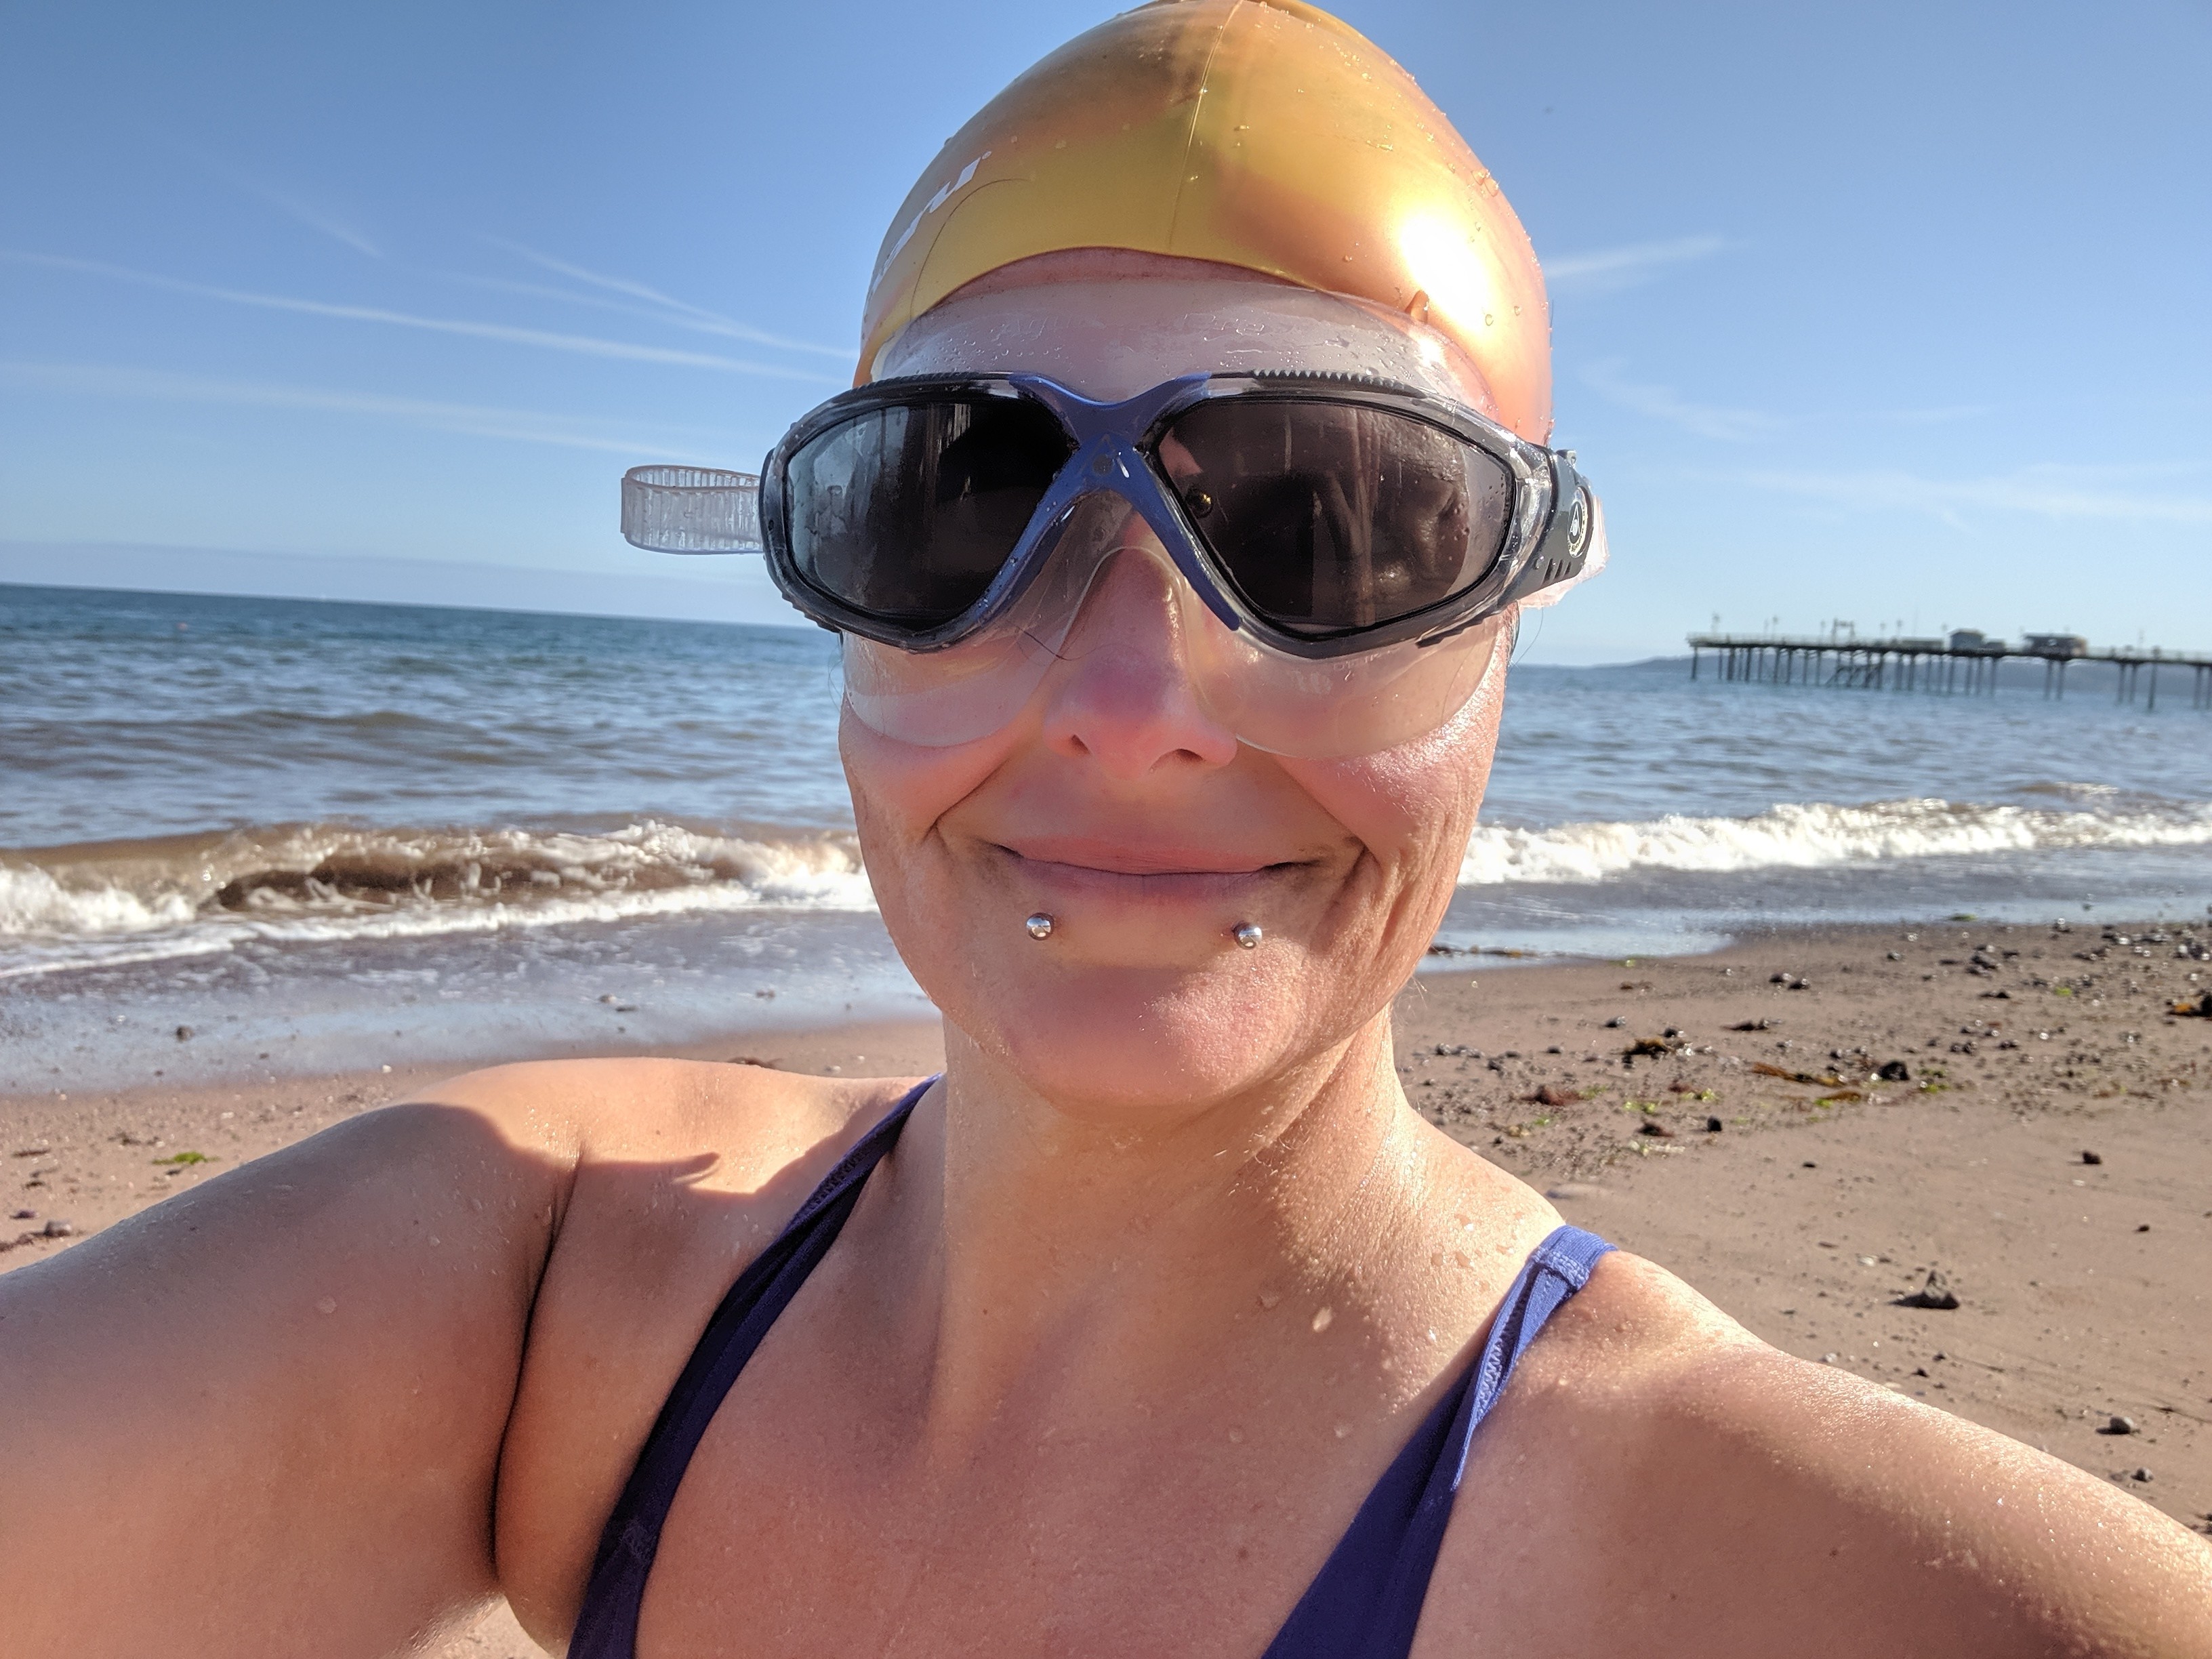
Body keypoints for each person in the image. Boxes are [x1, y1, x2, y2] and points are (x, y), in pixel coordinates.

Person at [7, 3, 2209, 1655]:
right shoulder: (562, 1288)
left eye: (1331, 532)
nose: (1132, 709)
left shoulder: (1725, 1554)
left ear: (1512, 617)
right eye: (956, 508)